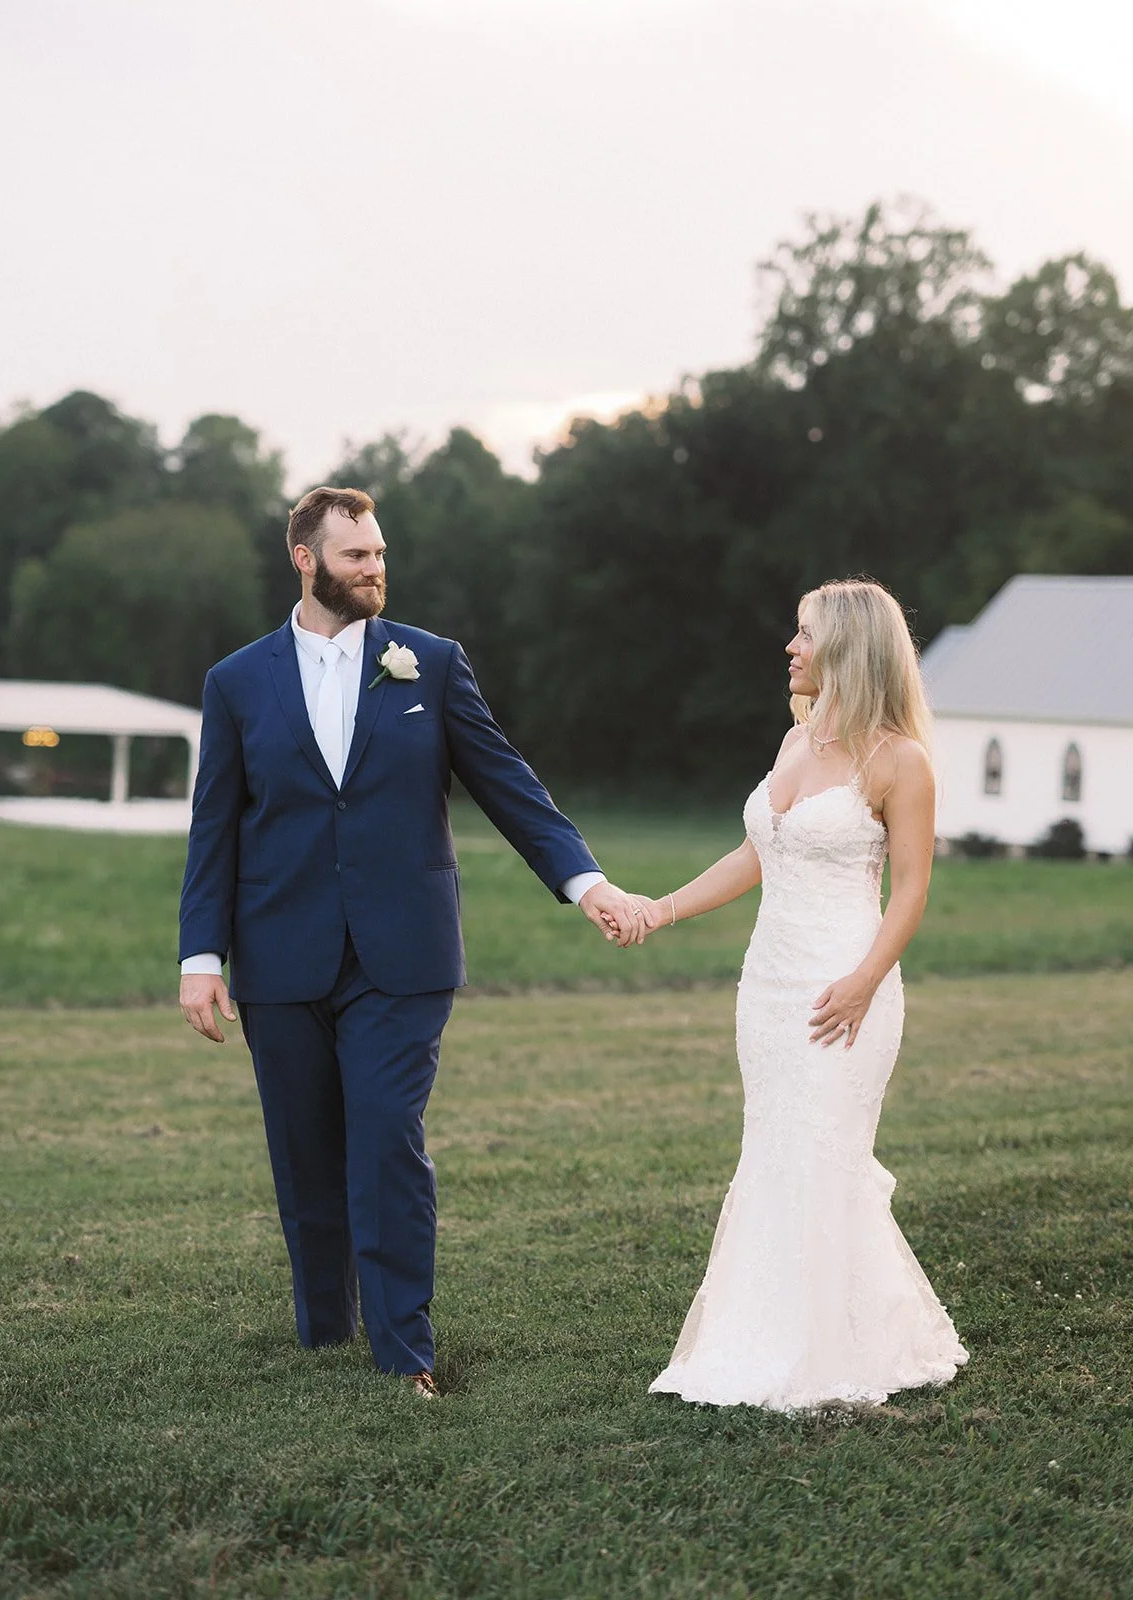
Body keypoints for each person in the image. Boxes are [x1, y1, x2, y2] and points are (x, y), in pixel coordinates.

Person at [178, 486, 642, 1398]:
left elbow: (508, 783)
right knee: (304, 1152)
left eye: (381, 553)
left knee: (387, 1139)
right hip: (280, 955)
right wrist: (202, 959)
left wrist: (586, 882)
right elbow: (215, 829)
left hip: (404, 955)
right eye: (357, 556)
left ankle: (406, 1352)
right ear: (305, 560)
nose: (376, 569)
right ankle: (323, 1333)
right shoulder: (235, 683)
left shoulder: (428, 663)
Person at [635, 578, 969, 1411]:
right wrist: (662, 909)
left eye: (805, 634)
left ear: (851, 648)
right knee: (776, 1150)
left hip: (847, 986)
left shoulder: (901, 761)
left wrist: (863, 983)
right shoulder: (797, 742)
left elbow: (912, 891)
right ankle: (759, 1335)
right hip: (769, 987)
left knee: (827, 1152)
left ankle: (831, 1349)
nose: (790, 647)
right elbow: (759, 854)